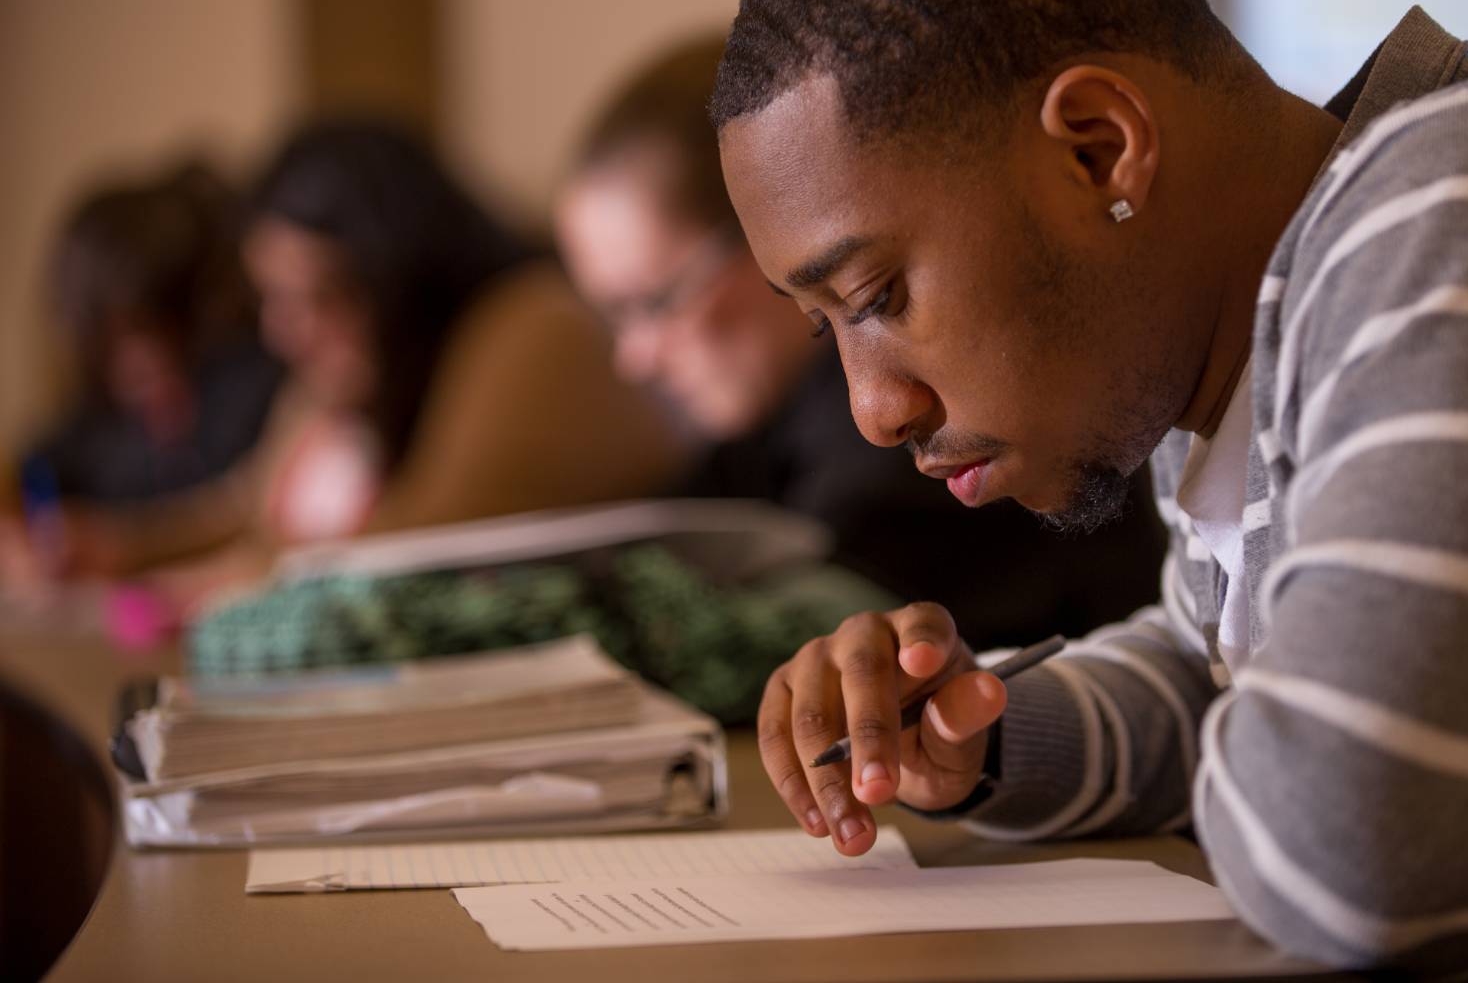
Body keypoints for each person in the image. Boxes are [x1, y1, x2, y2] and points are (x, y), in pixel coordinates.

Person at [714, 0, 1468, 976]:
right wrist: (983, 729)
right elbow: (1225, 670)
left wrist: (1305, 742)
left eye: (877, 295)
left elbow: (1380, 852)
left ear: (1100, 151)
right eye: (826, 328)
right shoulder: (1216, 373)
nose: (875, 410)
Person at [555, 35, 1165, 649]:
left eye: (654, 303)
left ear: (767, 225)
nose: (634, 357)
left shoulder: (925, 432)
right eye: (614, 317)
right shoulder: (760, 435)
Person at [47, 120, 683, 613]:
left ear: (402, 278)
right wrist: (115, 546)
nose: (284, 330)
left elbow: (428, 538)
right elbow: (249, 505)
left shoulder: (532, 326)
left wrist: (233, 580)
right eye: (273, 298)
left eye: (321, 296)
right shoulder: (348, 370)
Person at [0, 163, 282, 588]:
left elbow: (244, 508)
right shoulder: (100, 424)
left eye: (152, 327)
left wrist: (124, 545)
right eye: (108, 341)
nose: (136, 365)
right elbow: (26, 473)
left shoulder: (258, 385)